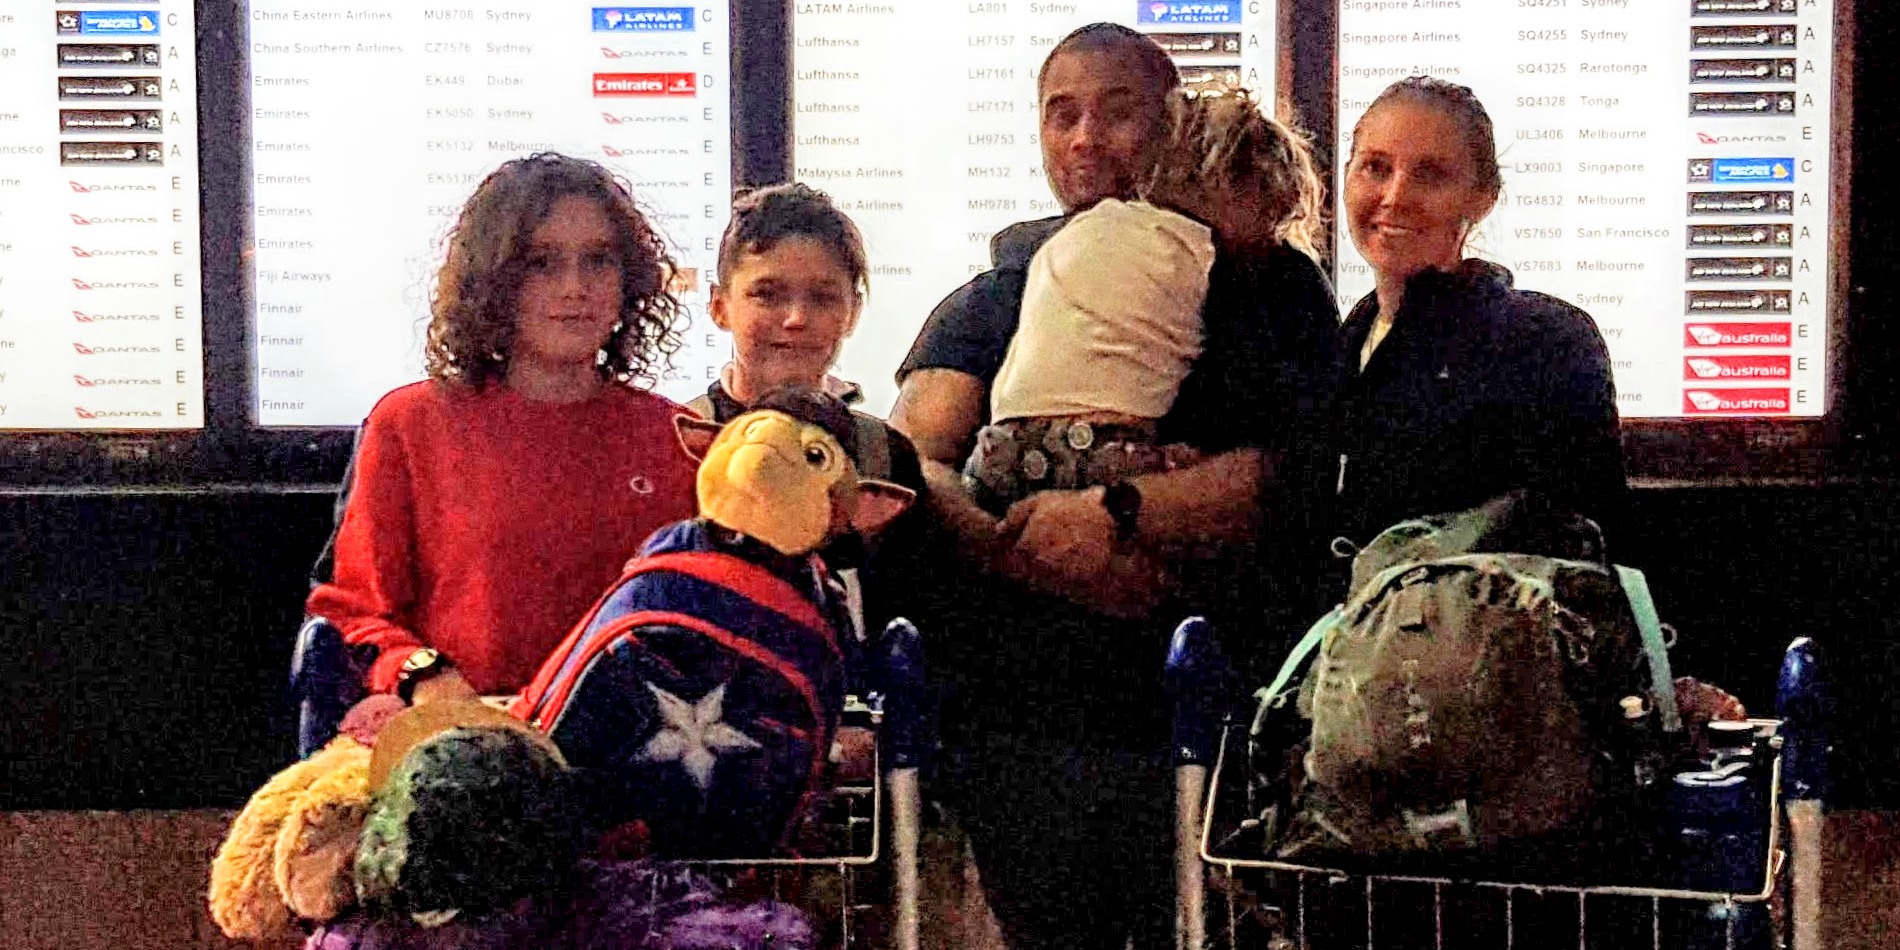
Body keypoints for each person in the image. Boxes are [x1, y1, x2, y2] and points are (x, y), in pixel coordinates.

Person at [892, 26, 1340, 950]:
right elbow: (919, 460)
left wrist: (1122, 511)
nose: (1087, 139)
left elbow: (1285, 476)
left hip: (1198, 737)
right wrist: (1033, 549)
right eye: (1061, 112)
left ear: (1175, 125)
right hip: (1020, 726)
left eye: (1120, 112)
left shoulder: (1260, 282)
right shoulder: (994, 291)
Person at [307, 155, 699, 710]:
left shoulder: (676, 437)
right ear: (494, 281)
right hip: (461, 738)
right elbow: (354, 614)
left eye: (598, 261)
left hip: (634, 745)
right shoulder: (410, 424)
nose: (575, 288)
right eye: (542, 263)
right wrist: (423, 674)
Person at [1265, 76, 1629, 617]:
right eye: (1375, 168)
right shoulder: (1342, 348)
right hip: (1346, 661)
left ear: (1483, 198)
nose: (1394, 196)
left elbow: (1590, 550)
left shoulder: (1545, 341)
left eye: (1430, 175)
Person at [965, 86, 1323, 514]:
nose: (1271, 235)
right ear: (1242, 188)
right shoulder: (1211, 256)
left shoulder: (1077, 231)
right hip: (1101, 453)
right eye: (1270, 214)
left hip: (997, 451)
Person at [684, 182, 921, 630]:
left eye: (823, 297)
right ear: (720, 306)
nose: (796, 318)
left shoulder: (886, 457)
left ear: (852, 312)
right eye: (767, 294)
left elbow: (910, 617)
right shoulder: (680, 439)